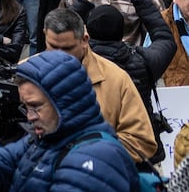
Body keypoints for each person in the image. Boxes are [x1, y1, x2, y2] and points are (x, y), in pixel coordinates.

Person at [0, 50, 136, 192]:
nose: (29, 116)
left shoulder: (98, 157)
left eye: (36, 106)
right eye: (26, 107)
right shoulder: (47, 137)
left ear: (64, 102)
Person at [40, 8, 158, 162]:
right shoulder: (25, 73)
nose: (60, 55)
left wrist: (83, 154)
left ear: (84, 39)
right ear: (44, 35)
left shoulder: (116, 79)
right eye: (53, 47)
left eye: (68, 48)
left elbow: (141, 142)